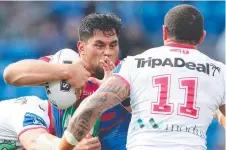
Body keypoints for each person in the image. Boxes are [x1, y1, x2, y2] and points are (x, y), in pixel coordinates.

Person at [59, 4, 226, 150]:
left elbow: (90, 108)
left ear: (164, 32)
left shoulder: (135, 63)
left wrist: (63, 148)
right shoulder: (219, 72)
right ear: (202, 37)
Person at [3, 13, 131, 150]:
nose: (108, 52)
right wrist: (67, 72)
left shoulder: (127, 71)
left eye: (113, 45)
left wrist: (117, 91)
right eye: (99, 45)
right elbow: (11, 74)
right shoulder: (65, 63)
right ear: (82, 48)